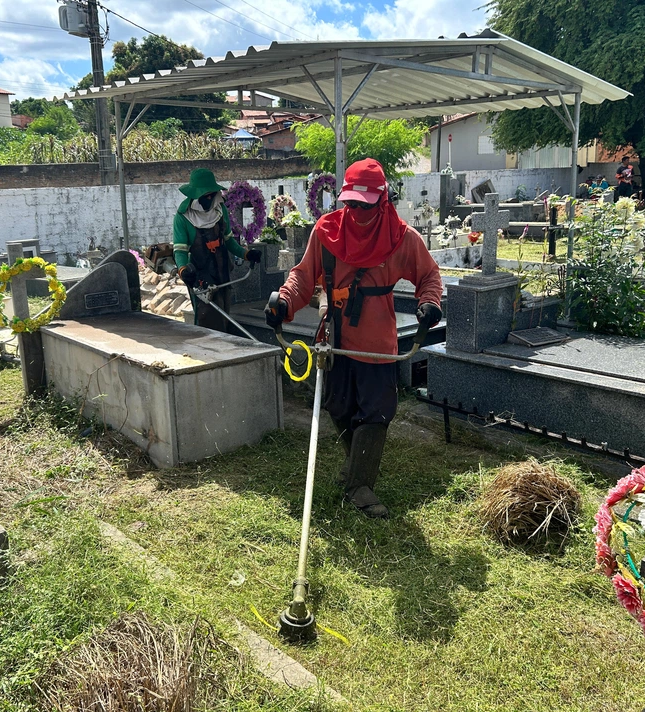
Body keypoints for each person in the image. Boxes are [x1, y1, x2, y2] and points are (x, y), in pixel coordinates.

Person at [265, 158, 443, 519]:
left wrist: (429, 303)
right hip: (335, 336)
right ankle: (356, 468)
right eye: (352, 203)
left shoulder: (401, 237)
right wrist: (284, 301)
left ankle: (359, 486)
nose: (358, 211)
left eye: (366, 204)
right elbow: (303, 276)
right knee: (339, 406)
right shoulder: (326, 232)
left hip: (377, 340)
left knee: (376, 411)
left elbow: (429, 276)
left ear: (383, 200)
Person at [173, 168, 261, 334]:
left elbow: (229, 242)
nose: (210, 199)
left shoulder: (220, 211)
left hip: (222, 271)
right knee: (208, 319)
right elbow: (180, 250)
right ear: (196, 195)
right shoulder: (183, 217)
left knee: (224, 315)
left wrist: (246, 254)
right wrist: (183, 270)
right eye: (205, 196)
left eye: (212, 195)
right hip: (200, 277)